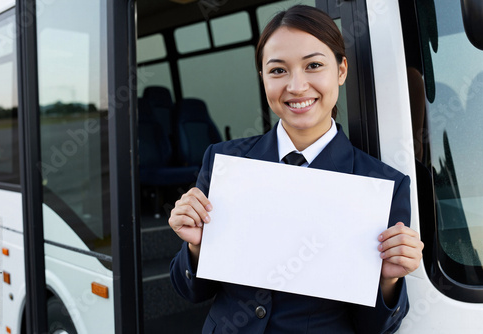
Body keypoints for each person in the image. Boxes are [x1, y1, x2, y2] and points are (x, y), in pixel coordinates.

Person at [168, 5, 424, 333]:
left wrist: (388, 280)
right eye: (278, 71)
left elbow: (377, 327)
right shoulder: (224, 163)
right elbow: (191, 291)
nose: (297, 86)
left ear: (341, 70)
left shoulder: (382, 185)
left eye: (314, 65)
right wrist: (195, 246)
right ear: (262, 77)